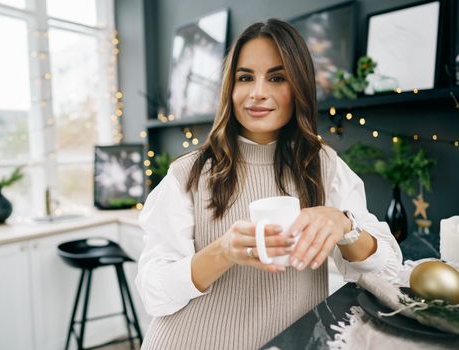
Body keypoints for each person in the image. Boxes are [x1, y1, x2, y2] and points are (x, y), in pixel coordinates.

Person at [135, 18, 402, 350]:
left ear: (299, 87)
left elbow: (388, 273)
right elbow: (153, 294)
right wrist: (224, 251)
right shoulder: (187, 174)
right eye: (245, 77)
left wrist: (345, 224)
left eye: (277, 78)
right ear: (230, 89)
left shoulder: (325, 166)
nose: (257, 93)